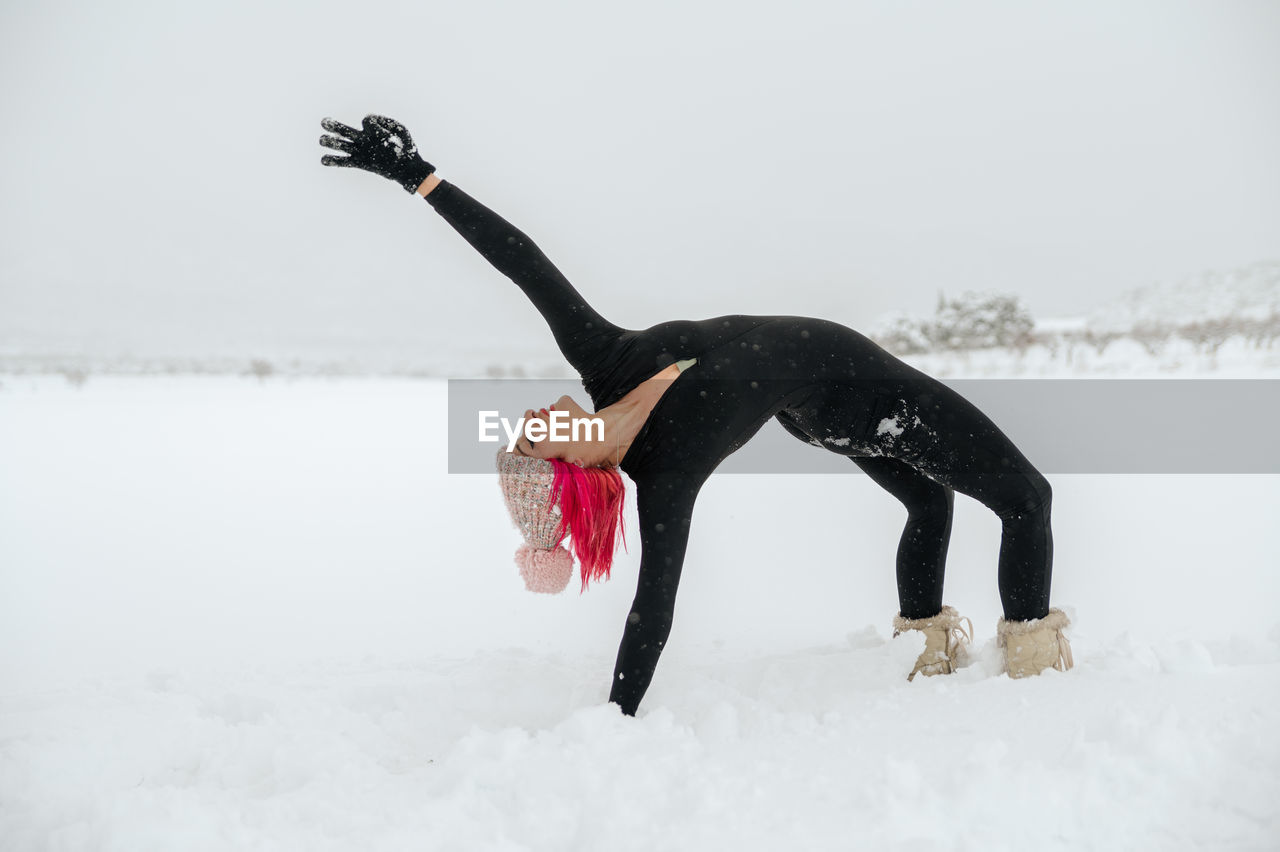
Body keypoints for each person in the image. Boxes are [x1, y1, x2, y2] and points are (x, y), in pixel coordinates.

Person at [319, 114, 1073, 716]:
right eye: (534, 437)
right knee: (1027, 498)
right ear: (574, 466)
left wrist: (417, 177)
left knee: (928, 499)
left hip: (820, 401)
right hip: (872, 397)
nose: (534, 417)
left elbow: (520, 259)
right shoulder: (664, 468)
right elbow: (654, 608)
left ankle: (925, 649)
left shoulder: (605, 361)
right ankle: (1035, 672)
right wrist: (617, 718)